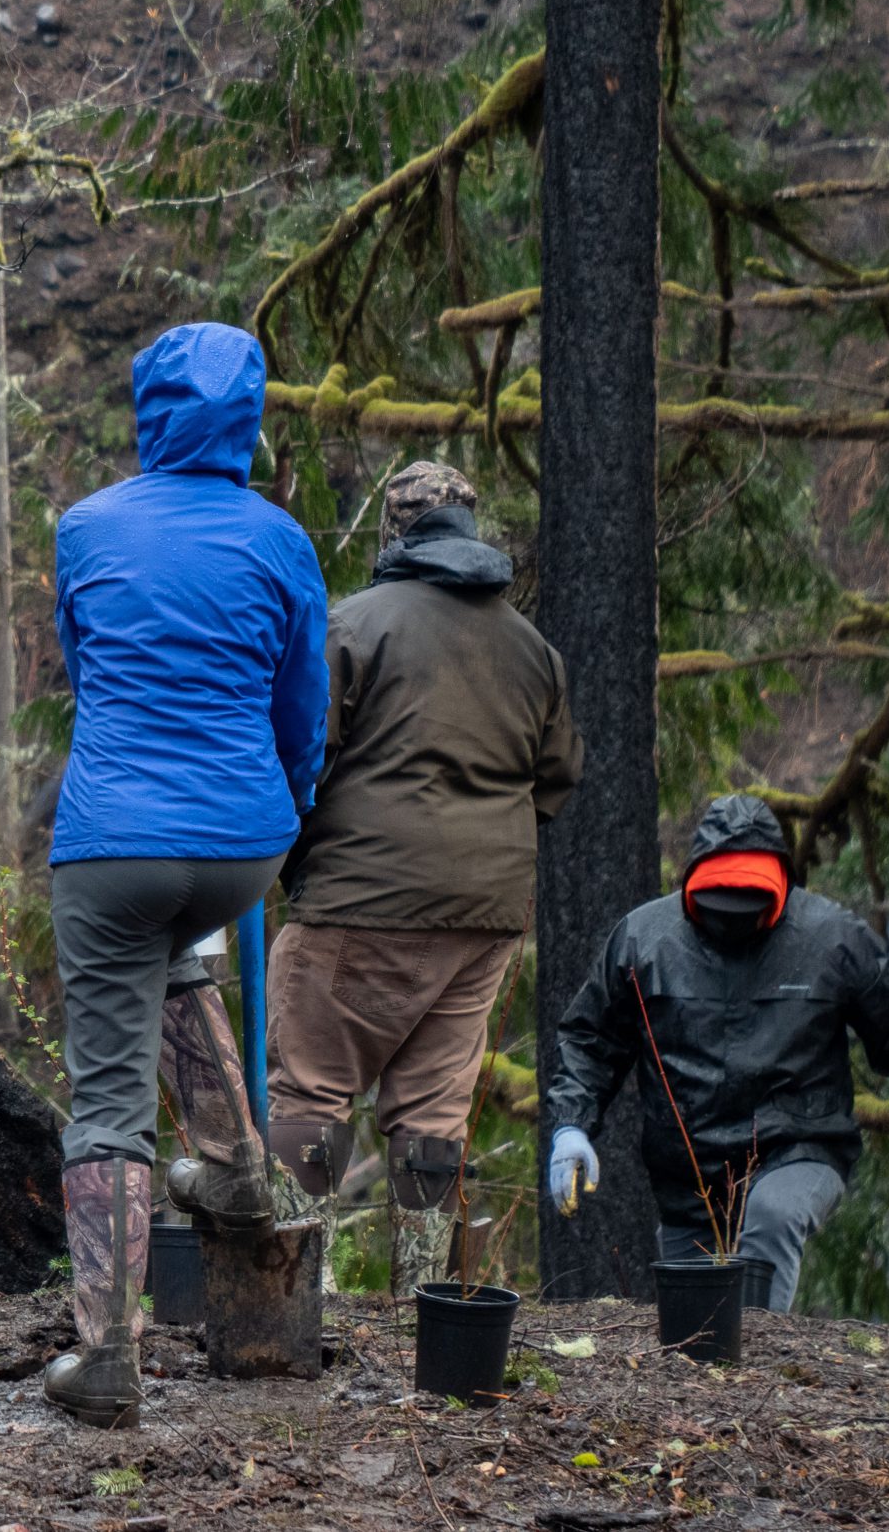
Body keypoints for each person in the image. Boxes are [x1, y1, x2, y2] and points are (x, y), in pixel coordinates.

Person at [41, 322, 328, 1427]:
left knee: (108, 1105)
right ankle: (238, 1173)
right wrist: (282, 803)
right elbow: (301, 704)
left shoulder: (87, 526)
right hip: (245, 848)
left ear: (148, 409)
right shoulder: (282, 539)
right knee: (166, 957)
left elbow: (85, 668)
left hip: (116, 836)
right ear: (249, 420)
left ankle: (106, 1358)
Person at [266, 462, 583, 1295]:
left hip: (357, 900)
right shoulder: (535, 651)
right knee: (434, 1115)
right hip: (482, 919)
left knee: (311, 1089)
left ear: (394, 531)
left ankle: (294, 1302)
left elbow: (299, 755)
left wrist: (295, 859)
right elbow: (556, 779)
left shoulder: (354, 625)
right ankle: (421, 1309)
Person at [544, 794, 889, 1311]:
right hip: (688, 1172)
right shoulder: (643, 940)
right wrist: (571, 1128)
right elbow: (590, 1042)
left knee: (771, 1218)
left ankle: (757, 1357)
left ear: (781, 884)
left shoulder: (832, 938)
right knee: (692, 1325)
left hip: (800, 1145)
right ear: (694, 883)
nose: (734, 912)